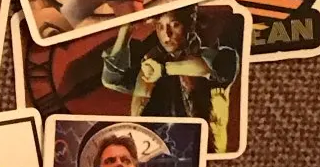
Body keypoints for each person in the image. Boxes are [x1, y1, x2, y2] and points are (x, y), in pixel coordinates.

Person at [101, 9, 238, 151]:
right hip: (154, 151)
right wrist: (125, 30)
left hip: (200, 150)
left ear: (189, 25)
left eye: (175, 25)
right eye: (160, 27)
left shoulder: (215, 57)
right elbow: (111, 79)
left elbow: (212, 68)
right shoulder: (149, 65)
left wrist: (164, 69)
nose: (167, 34)